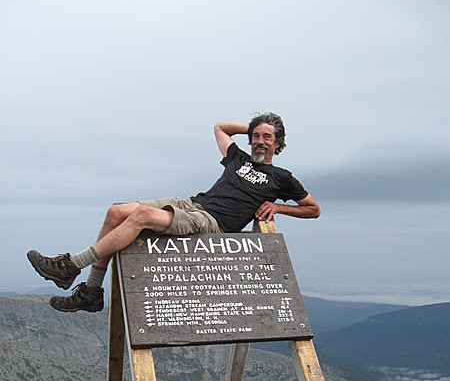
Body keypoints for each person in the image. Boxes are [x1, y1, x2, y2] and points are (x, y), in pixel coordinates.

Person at [27, 112, 320, 313]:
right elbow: (220, 128)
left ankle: (71, 266)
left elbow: (313, 209)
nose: (259, 141)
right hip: (190, 204)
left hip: (210, 223)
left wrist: (278, 206)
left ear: (278, 144)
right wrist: (255, 125)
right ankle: (91, 292)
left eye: (267, 138)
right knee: (117, 211)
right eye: (256, 136)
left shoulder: (281, 177)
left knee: (140, 217)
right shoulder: (237, 158)